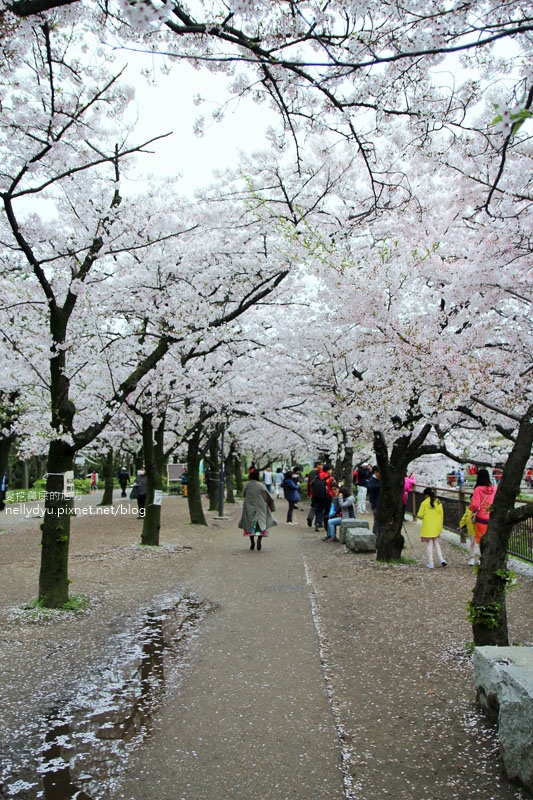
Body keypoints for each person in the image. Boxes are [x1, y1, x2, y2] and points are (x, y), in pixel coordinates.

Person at [239, 468, 277, 550]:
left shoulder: (247, 485)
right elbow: (268, 497)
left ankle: (252, 542)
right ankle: (259, 540)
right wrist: (271, 507)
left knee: (250, 525)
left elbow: (243, 494)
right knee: (260, 524)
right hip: (260, 506)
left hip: (249, 506)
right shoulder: (261, 486)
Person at [417, 487, 447, 569]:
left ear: (426, 495)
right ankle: (441, 559)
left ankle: (431, 562)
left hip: (428, 525)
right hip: (436, 525)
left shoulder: (424, 503)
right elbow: (441, 514)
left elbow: (420, 514)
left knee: (429, 543)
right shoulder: (438, 502)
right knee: (436, 542)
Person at [469, 468, 497, 550]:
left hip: (481, 518)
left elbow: (475, 505)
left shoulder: (478, 489)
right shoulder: (494, 488)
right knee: (492, 540)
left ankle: (484, 558)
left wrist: (470, 508)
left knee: (482, 540)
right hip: (492, 517)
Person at [366, 466, 381, 535]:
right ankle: (375, 534)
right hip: (375, 502)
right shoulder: (371, 480)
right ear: (375, 472)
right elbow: (371, 488)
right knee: (377, 519)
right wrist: (379, 485)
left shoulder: (380, 480)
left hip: (381, 502)